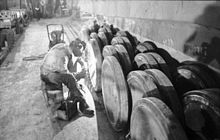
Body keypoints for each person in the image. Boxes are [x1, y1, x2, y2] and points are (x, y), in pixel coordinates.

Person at [40, 38, 94, 120]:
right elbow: (68, 77)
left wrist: (82, 64)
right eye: (81, 51)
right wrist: (78, 75)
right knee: (70, 78)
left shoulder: (65, 47)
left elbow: (75, 61)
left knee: (72, 78)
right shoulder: (63, 56)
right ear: (77, 47)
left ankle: (74, 94)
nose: (82, 53)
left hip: (49, 70)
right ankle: (83, 105)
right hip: (47, 75)